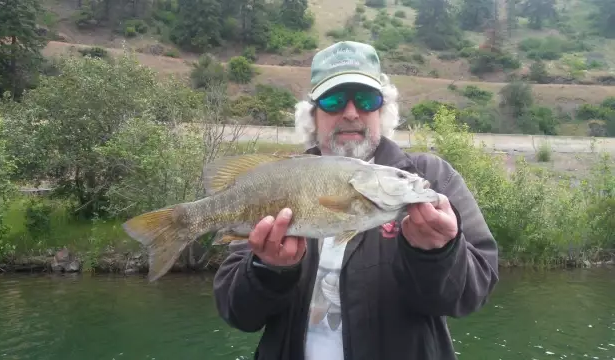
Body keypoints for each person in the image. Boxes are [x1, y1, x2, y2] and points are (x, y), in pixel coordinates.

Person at [212, 40, 499, 360]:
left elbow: (471, 294)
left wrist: (439, 254)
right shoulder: (281, 178)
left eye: (365, 99)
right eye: (334, 100)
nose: (350, 113)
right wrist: (269, 270)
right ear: (313, 115)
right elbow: (238, 314)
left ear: (383, 110)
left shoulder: (430, 178)